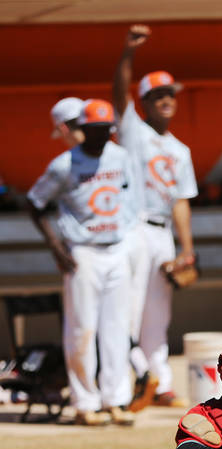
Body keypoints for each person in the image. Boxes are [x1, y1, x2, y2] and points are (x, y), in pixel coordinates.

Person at [26, 99, 135, 427]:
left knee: (117, 328)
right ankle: (85, 402)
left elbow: (128, 196)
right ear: (81, 130)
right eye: (94, 130)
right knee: (82, 328)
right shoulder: (64, 164)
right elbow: (35, 202)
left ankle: (116, 400)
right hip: (82, 252)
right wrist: (56, 246)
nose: (102, 136)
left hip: (116, 247)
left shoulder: (121, 156)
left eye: (106, 129)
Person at [113, 24, 197, 409]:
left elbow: (181, 200)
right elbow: (117, 95)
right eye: (158, 95)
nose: (166, 100)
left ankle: (159, 383)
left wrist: (187, 249)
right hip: (133, 228)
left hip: (163, 232)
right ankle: (131, 377)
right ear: (144, 102)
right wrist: (128, 53)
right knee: (128, 307)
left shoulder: (179, 149)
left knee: (157, 312)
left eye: (170, 94)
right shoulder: (133, 132)